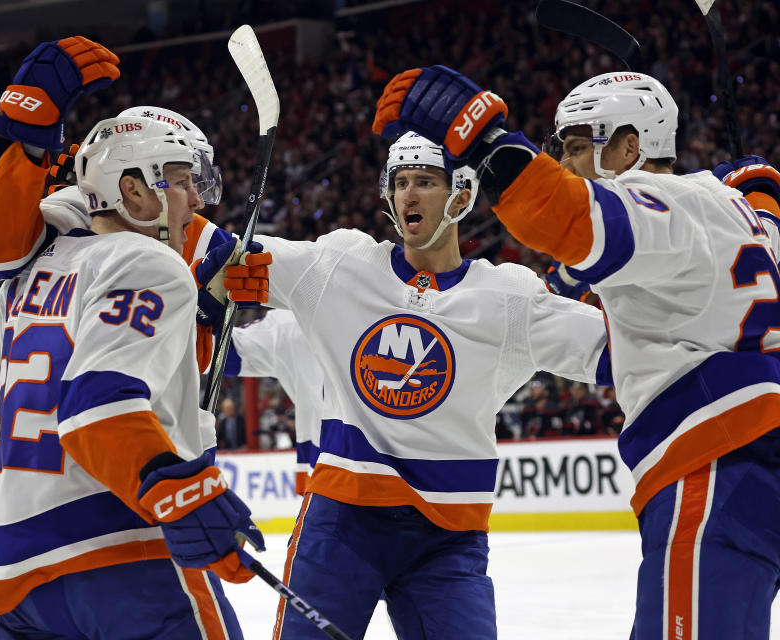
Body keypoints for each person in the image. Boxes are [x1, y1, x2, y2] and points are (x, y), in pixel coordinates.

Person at [373, 65, 780, 639]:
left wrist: (487, 140)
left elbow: (560, 214)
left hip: (714, 459)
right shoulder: (733, 209)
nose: (565, 163)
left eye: (576, 145)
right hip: (756, 465)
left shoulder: (651, 197)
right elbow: (765, 209)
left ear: (630, 146)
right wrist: (761, 186)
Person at [0, 36, 270, 638]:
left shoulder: (27, 274)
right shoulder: (152, 263)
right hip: (126, 550)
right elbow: (96, 408)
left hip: (20, 581)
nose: (197, 198)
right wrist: (182, 492)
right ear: (133, 189)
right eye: (182, 179)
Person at [252, 132, 610, 639]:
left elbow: (624, 354)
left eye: (425, 181)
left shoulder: (508, 298)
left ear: (462, 195)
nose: (409, 195)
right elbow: (217, 255)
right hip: (341, 525)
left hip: (448, 539)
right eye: (400, 183)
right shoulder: (340, 265)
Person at [224, 309, 324, 493]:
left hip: (328, 477)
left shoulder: (290, 325)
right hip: (327, 477)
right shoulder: (290, 325)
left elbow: (215, 353)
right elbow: (218, 353)